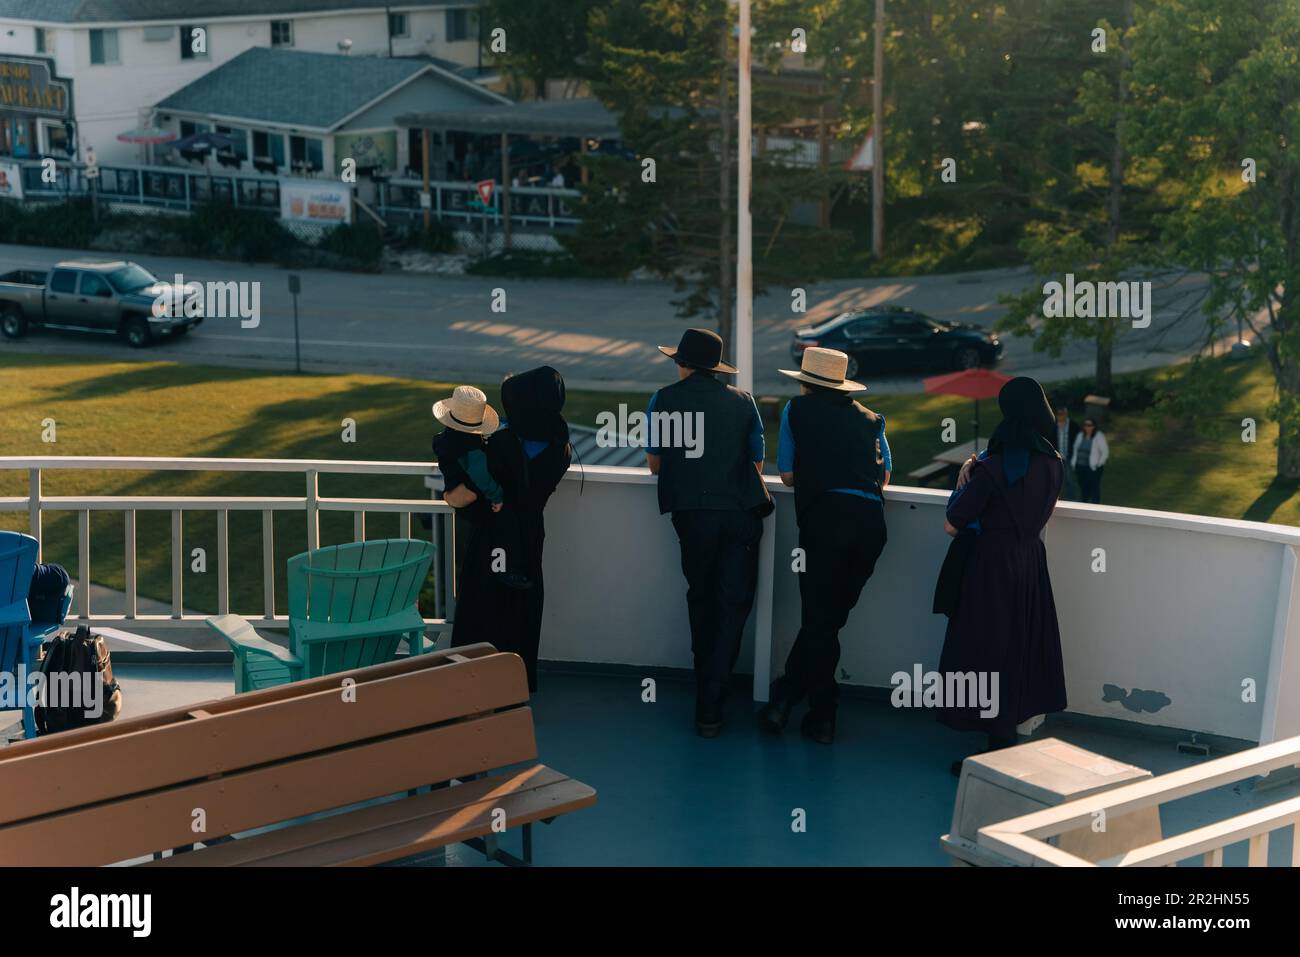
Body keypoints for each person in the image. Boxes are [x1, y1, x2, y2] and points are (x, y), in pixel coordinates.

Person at [758, 348, 890, 744]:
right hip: (870, 527)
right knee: (827, 620)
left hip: (825, 524)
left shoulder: (796, 411)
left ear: (805, 382)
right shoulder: (872, 418)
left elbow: (786, 475)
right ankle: (791, 699)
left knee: (820, 619)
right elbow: (883, 475)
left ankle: (815, 710)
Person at [938, 376, 1066, 774]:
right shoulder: (1054, 464)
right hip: (1029, 561)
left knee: (985, 648)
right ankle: (1005, 741)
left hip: (990, 566)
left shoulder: (990, 469)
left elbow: (952, 524)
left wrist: (966, 476)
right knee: (1019, 647)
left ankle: (993, 748)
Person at [647, 328, 768, 737]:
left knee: (700, 597)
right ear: (715, 369)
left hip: (692, 516)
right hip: (738, 515)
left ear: (681, 363)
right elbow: (757, 462)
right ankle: (714, 697)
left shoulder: (664, 400)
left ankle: (705, 696)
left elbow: (655, 465)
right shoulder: (742, 402)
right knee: (733, 605)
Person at [436, 375, 570, 692]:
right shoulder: (559, 445)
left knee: (481, 606)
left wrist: (447, 495)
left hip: (493, 534)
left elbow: (465, 495)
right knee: (520, 607)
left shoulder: (502, 445)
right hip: (529, 534)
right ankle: (516, 681)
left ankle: (473, 681)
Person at [1071, 418, 1109, 504]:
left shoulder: (1099, 436)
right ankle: (1084, 503)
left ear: (1094, 427)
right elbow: (1075, 448)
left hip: (1093, 467)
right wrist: (1074, 462)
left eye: (1089, 425)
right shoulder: (1080, 435)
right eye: (1086, 425)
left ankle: (1095, 505)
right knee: (1083, 487)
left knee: (1094, 487)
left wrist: (1099, 464)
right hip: (1080, 466)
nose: (1087, 427)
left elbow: (1105, 452)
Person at [1052, 405, 1082, 500]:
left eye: (1062, 414)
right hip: (1057, 458)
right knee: (1058, 480)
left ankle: (1074, 500)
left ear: (1066, 414)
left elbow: (1078, 441)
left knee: (1070, 480)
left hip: (1069, 457)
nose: (1060, 416)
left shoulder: (1074, 426)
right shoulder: (1053, 426)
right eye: (1059, 414)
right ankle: (1058, 499)